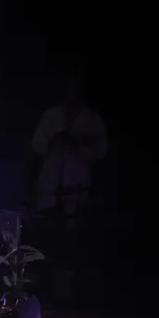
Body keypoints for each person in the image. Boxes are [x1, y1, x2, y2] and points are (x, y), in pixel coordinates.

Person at [32, 78, 107, 230]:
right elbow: (36, 145)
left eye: (77, 88)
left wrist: (80, 146)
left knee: (73, 231)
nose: (73, 92)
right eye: (70, 88)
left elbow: (102, 149)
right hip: (50, 189)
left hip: (77, 188)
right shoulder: (51, 116)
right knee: (47, 231)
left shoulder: (91, 119)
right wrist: (54, 142)